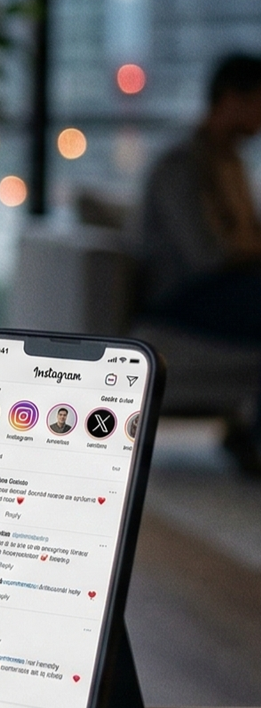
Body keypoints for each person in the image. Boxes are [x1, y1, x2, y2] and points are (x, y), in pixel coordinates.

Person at [134, 53, 261, 472]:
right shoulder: (181, 165)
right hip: (185, 296)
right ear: (231, 98)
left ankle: (250, 433)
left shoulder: (232, 163)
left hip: (229, 286)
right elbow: (205, 257)